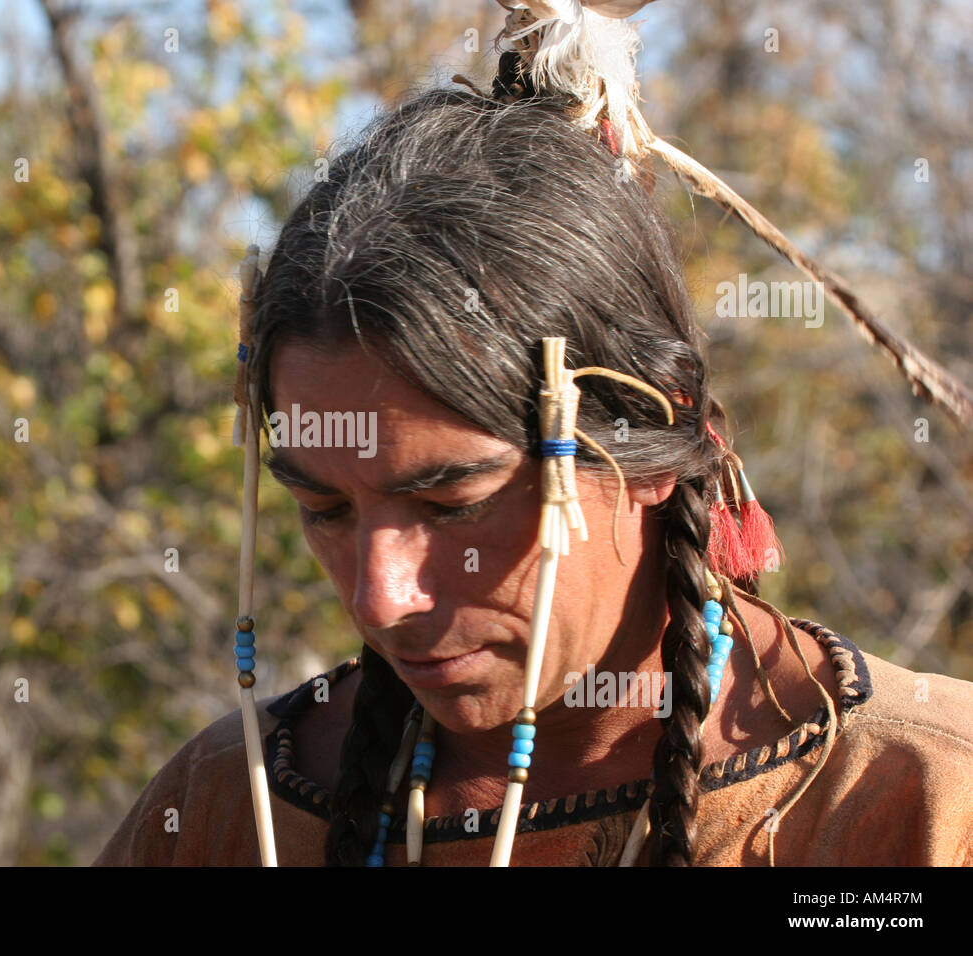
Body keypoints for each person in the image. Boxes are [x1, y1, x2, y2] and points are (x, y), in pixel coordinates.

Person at [96, 75, 973, 866]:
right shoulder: (228, 808)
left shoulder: (918, 805)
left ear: (654, 446)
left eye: (452, 503)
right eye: (325, 508)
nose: (378, 597)